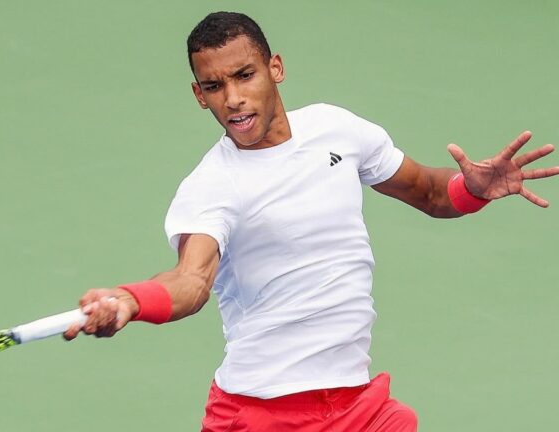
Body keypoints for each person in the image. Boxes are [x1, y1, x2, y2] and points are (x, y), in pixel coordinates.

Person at [63, 11, 558, 432]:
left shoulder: (336, 129)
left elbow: (427, 191)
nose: (231, 97)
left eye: (244, 75)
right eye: (214, 86)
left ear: (274, 68)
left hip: (358, 407)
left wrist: (470, 190)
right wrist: (130, 299)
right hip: (260, 414)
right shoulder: (212, 186)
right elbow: (190, 281)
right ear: (199, 95)